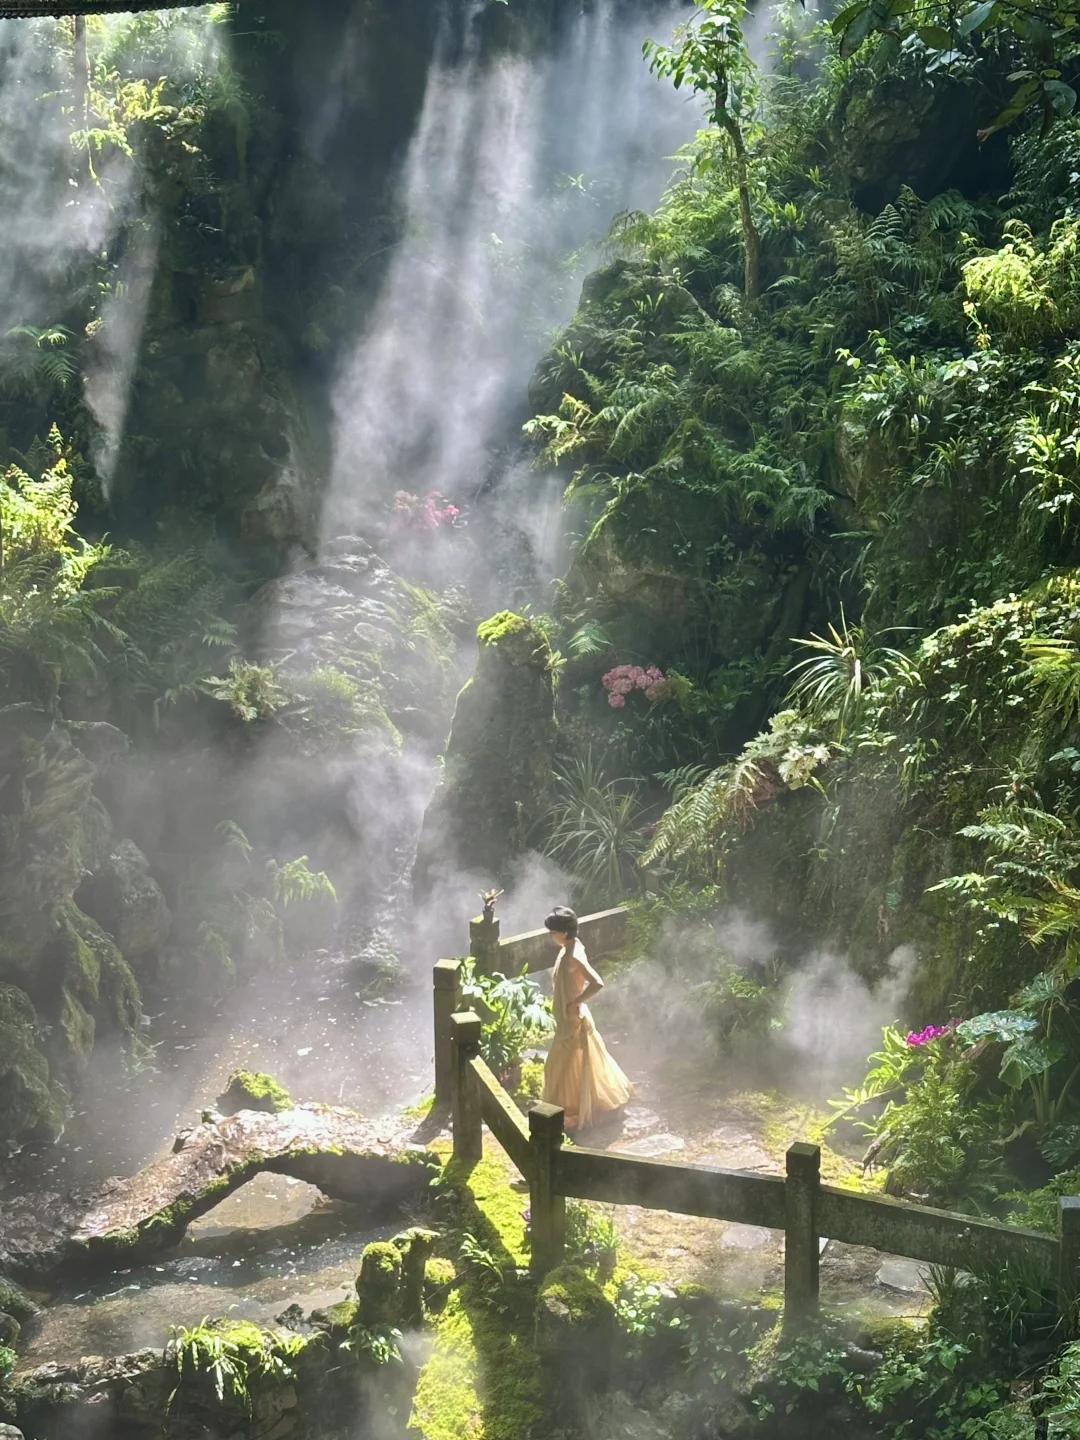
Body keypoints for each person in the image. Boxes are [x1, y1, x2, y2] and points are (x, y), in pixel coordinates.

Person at [541, 904, 632, 1131]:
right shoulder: (571, 947)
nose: (551, 936)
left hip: (573, 1020)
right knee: (575, 1065)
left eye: (552, 932)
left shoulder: (573, 953)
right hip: (568, 1019)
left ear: (562, 933)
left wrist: (575, 1001)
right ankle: (578, 1105)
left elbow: (597, 982)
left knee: (559, 1065)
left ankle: (571, 1110)